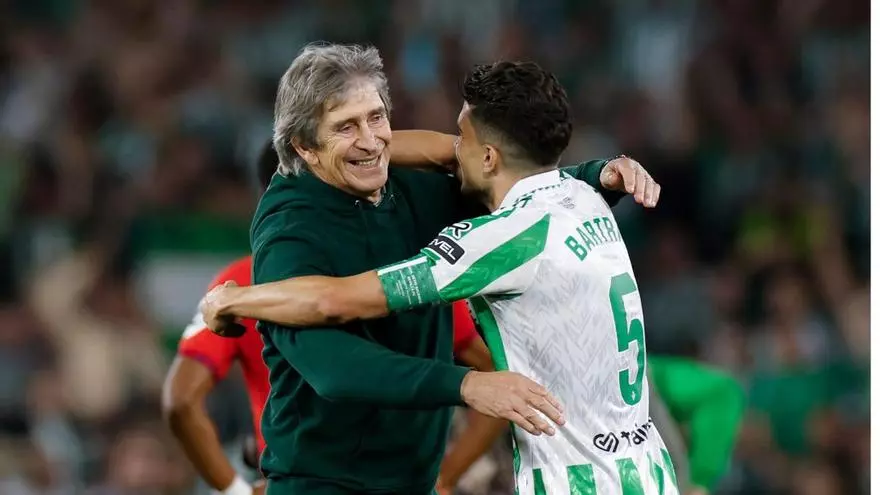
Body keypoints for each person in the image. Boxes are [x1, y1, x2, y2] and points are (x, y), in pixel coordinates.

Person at [202, 59, 671, 494]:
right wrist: (467, 383)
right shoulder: (580, 198)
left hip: (568, 476)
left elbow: (337, 299)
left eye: (378, 118)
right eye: (347, 126)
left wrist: (234, 300)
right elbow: (331, 361)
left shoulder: (476, 223)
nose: (372, 140)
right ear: (304, 147)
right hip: (330, 483)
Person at [162, 137, 507, 495]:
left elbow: (181, 400)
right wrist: (446, 476)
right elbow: (494, 376)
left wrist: (235, 490)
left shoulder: (239, 286)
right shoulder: (404, 277)